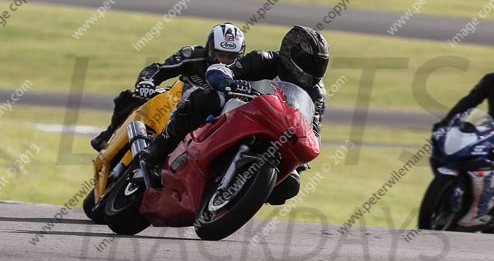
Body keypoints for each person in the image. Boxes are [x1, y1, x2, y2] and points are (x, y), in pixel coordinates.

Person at [141, 25, 329, 204]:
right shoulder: (264, 59)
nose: (315, 70)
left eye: (320, 64)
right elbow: (223, 69)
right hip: (243, 112)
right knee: (205, 99)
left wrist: (302, 157)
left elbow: (314, 132)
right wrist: (227, 82)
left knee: (290, 185)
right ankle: (158, 150)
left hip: (279, 135)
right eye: (311, 63)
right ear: (291, 54)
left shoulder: (316, 93)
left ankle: (240, 197)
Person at [90, 23, 246, 150]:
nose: (224, 61)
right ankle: (107, 135)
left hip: (206, 119)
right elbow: (160, 69)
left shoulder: (243, 72)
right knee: (131, 98)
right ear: (211, 50)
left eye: (230, 57)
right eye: (221, 55)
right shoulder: (191, 55)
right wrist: (147, 82)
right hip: (174, 97)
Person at [434, 54, 494, 215]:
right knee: (468, 149)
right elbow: (470, 101)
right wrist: (447, 121)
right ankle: (465, 187)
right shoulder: (492, 81)